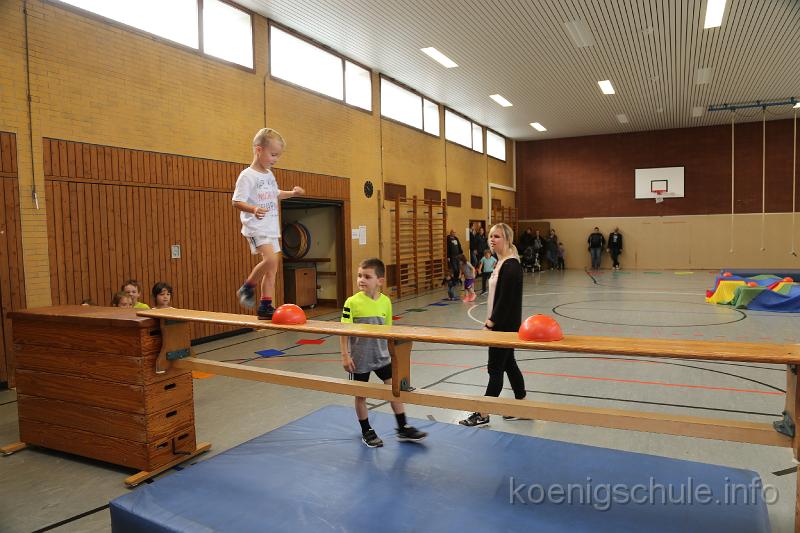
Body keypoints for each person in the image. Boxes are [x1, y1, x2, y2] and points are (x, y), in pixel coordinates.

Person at [340, 258, 428, 447]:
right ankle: (366, 430)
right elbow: (343, 330)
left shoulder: (386, 302)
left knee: (393, 391)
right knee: (360, 395)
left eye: (367, 276)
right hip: (359, 360)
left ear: (379, 280)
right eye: (359, 276)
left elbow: (388, 331)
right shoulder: (351, 302)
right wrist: (345, 355)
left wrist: (394, 355)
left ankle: (403, 427)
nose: (361, 280)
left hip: (382, 357)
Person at [233, 128, 305, 320]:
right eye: (273, 155)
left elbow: (275, 194)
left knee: (273, 268)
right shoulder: (247, 176)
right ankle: (247, 287)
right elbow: (236, 201)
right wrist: (253, 209)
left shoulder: (269, 175)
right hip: (256, 227)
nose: (276, 159)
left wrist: (292, 193)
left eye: (278, 155)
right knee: (271, 260)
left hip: (271, 228)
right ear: (259, 150)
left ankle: (266, 306)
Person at [460, 223, 527, 426]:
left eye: (497, 236)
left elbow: (506, 300)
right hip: (501, 324)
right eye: (490, 236)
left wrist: (490, 323)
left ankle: (483, 413)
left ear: (507, 239)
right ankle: (523, 407)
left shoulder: (511, 265)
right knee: (509, 364)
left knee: (495, 368)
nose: (492, 239)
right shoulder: (501, 263)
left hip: (503, 326)